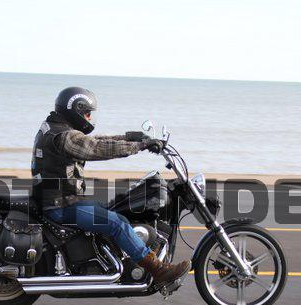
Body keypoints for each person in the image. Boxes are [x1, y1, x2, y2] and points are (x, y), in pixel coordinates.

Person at [31, 87, 189, 283]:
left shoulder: (55, 128)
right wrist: (140, 146)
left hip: (61, 200)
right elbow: (97, 148)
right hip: (61, 205)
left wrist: (128, 137)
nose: (89, 118)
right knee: (117, 223)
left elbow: (94, 140)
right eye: (87, 113)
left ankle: (133, 253)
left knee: (115, 211)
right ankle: (158, 270)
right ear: (75, 110)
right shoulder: (64, 137)